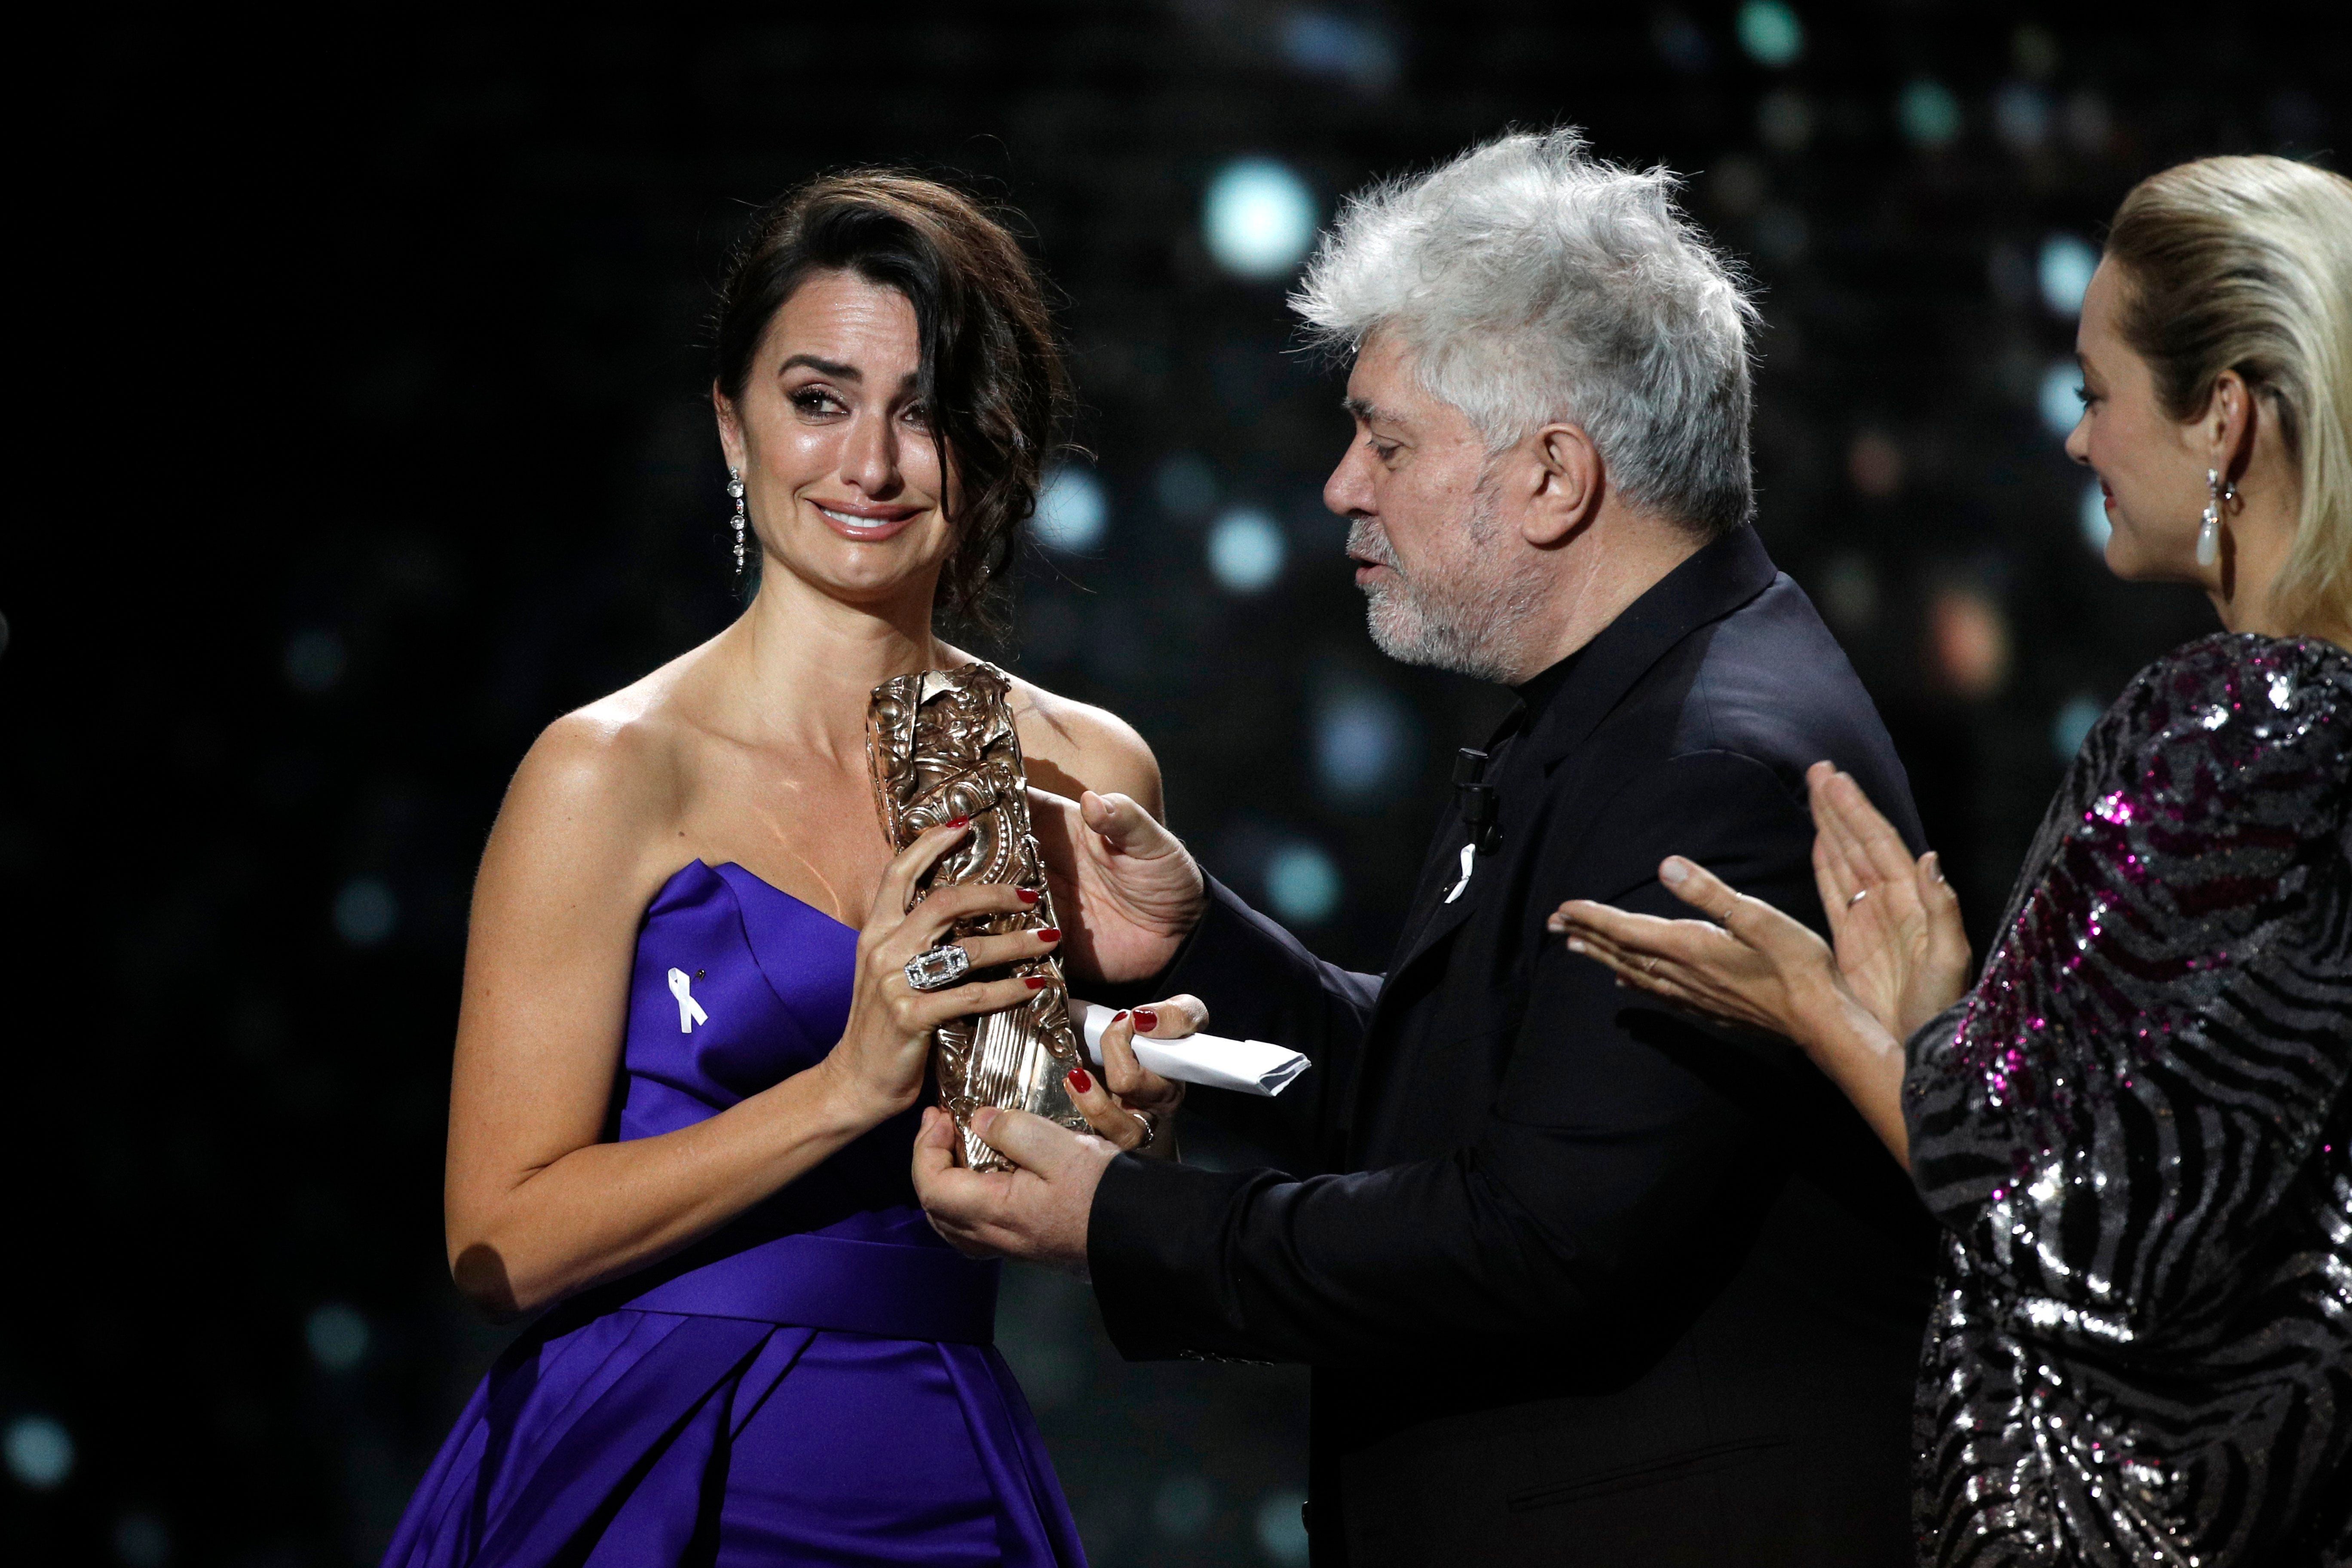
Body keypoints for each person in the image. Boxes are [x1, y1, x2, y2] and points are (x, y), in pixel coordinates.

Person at [914, 130, 1938, 1567]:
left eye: (1386, 440)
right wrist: (1202, 944)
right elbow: (1490, 1100)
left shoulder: (1710, 764)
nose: (1343, 486)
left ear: (1551, 477)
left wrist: (1126, 1219)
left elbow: (1534, 1238)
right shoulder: (1635, 698)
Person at [1551, 155, 2352, 1566]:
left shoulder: (2239, 724)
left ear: (2221, 416)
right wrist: (1952, 1027)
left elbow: (2072, 1224)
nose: (2077, 442)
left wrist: (1827, 1011)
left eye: (2097, 394)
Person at [382, 172, 1181, 1568]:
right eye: (819, 400)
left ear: (992, 446)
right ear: (732, 429)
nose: (869, 465)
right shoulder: (610, 770)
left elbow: (1031, 1180)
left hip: (938, 1457)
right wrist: (841, 1093)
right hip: (647, 1465)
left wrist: (1126, 1136)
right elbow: (495, 1244)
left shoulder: (1079, 766)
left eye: (923, 410)